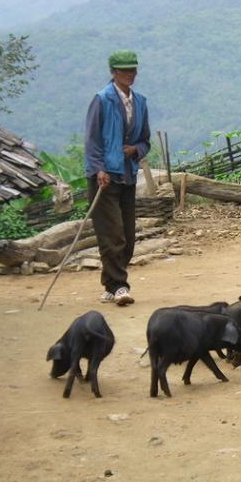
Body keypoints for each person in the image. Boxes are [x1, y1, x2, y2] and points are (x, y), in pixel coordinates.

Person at [84, 49, 151, 306]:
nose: (129, 75)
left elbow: (144, 140)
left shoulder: (141, 102)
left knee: (128, 236)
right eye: (124, 70)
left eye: (133, 70)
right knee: (111, 234)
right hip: (104, 178)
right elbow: (92, 140)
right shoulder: (101, 100)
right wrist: (99, 168)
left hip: (127, 175)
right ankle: (120, 286)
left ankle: (110, 286)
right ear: (113, 72)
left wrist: (136, 150)